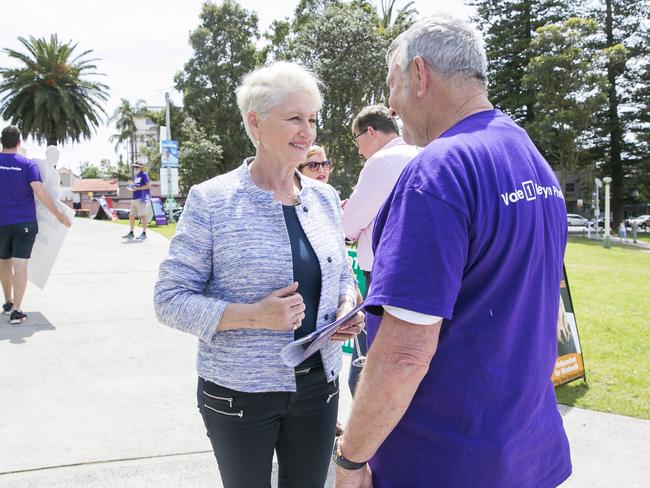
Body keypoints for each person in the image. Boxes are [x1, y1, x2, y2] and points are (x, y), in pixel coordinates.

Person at [334, 14, 571, 488]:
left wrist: (351, 459)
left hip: (444, 458)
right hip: (526, 447)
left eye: (393, 85)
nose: (391, 106)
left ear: (420, 75)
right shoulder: (530, 156)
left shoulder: (437, 171)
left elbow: (404, 353)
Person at [154, 61, 364, 488]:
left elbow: (340, 271)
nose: (307, 131)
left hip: (318, 389)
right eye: (294, 118)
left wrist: (345, 306)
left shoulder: (324, 197)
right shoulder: (212, 200)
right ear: (256, 122)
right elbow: (169, 299)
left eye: (311, 119)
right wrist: (254, 315)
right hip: (238, 395)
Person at [342, 104, 418, 395]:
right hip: (417, 272)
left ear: (370, 131)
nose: (359, 149)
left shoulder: (381, 162)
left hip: (382, 276)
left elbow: (349, 224)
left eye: (357, 139)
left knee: (367, 372)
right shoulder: (419, 152)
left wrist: (352, 219)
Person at [0, 126, 72, 324]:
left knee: (3, 262)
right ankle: (16, 310)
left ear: (1, 141)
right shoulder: (27, 164)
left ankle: (7, 301)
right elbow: (39, 191)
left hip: (1, 223)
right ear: (19, 142)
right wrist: (59, 215)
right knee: (20, 265)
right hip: (24, 222)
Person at [122, 161, 150, 241]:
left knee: (143, 215)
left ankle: (144, 233)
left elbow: (148, 186)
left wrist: (137, 188)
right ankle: (131, 233)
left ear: (141, 168)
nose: (135, 168)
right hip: (134, 198)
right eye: (134, 167)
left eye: (137, 167)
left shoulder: (144, 175)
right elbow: (136, 186)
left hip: (141, 198)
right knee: (131, 215)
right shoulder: (136, 176)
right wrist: (132, 187)